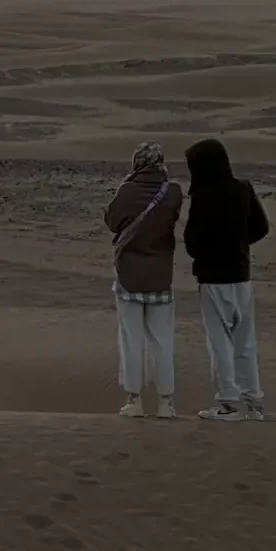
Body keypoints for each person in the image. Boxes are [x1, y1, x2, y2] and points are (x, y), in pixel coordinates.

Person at [184, 138, 270, 421]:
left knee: (220, 342)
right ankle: (254, 402)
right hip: (241, 276)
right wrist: (239, 244)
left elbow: (192, 242)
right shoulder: (243, 189)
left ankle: (228, 403)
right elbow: (260, 227)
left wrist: (210, 251)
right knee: (245, 341)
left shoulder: (203, 196)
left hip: (213, 279)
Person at [104, 141, 184, 419]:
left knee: (131, 341)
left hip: (128, 277)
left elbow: (112, 222)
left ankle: (134, 400)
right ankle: (166, 403)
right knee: (163, 341)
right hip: (161, 277)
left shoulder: (127, 190)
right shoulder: (173, 192)